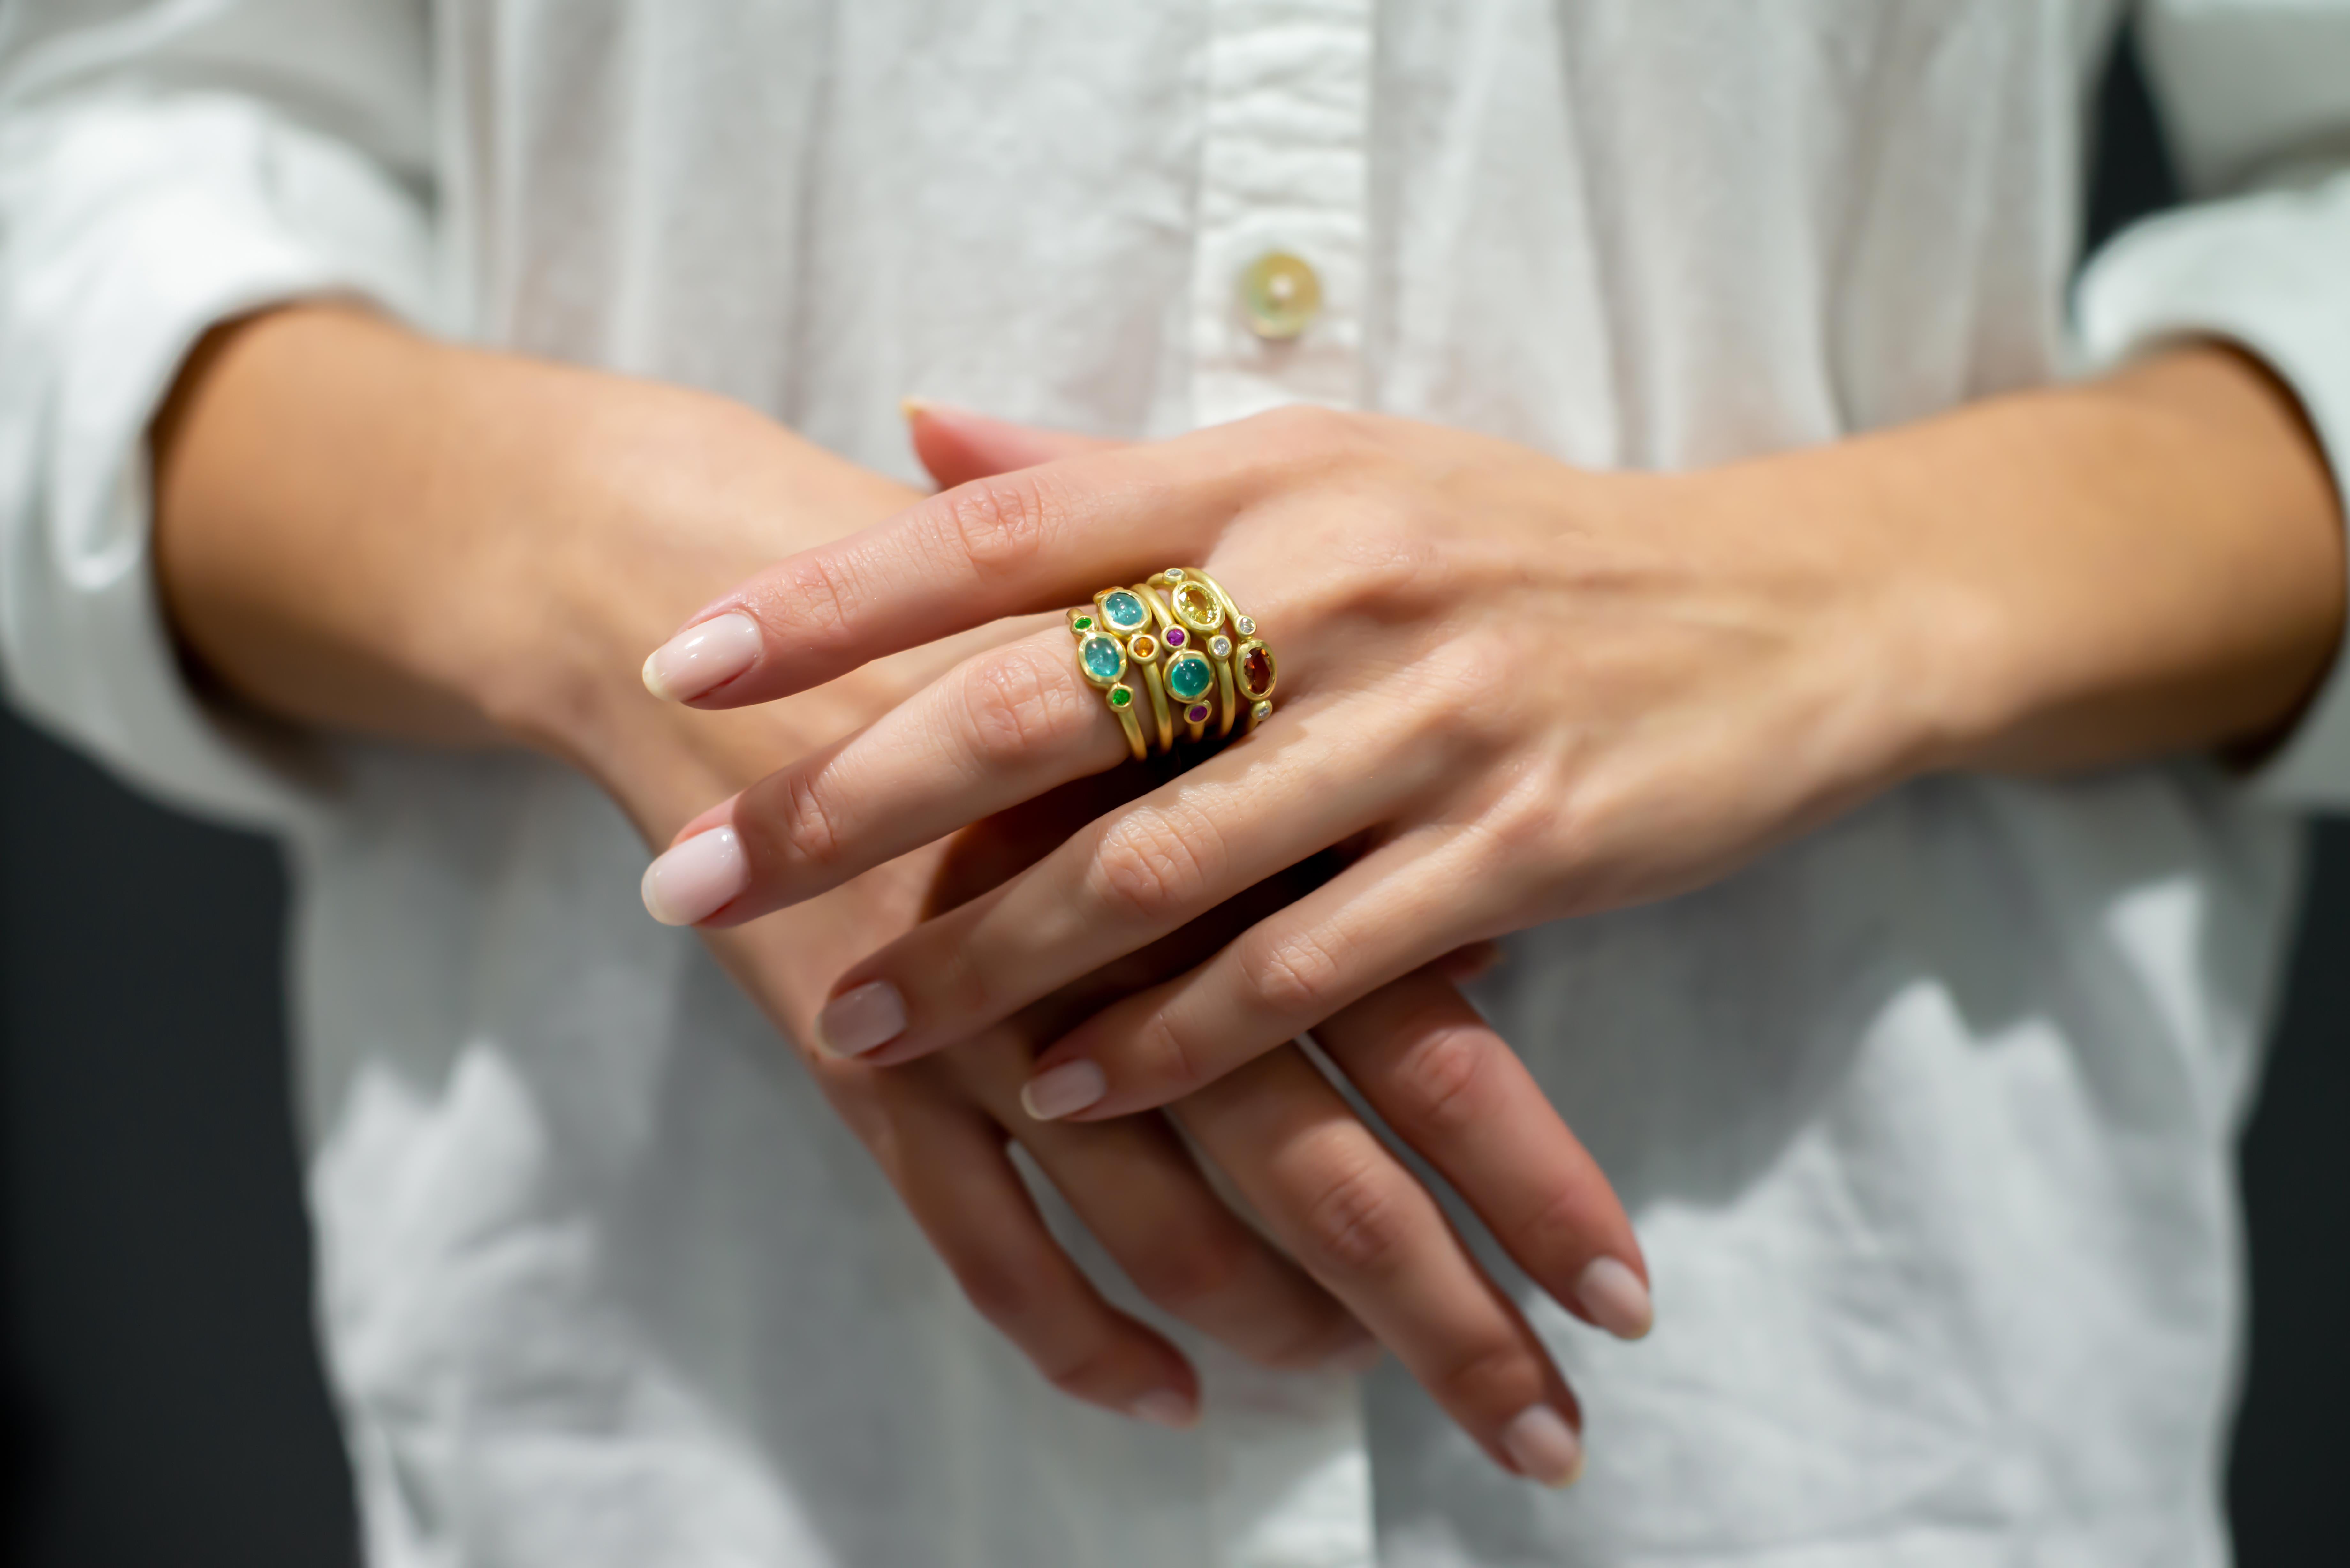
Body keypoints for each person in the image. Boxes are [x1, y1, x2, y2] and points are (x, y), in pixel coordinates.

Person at [2, 1, 2345, 1563]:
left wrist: (1817, 601)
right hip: (698, 1410)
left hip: (1848, 1374)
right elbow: (101, 159)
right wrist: (646, 592)